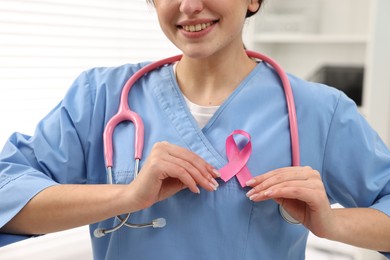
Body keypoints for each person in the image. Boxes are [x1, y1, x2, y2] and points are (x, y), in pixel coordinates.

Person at [0, 0, 389, 259]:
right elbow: (8, 196)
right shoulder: (100, 96)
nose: (188, 6)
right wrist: (127, 195)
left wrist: (333, 224)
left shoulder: (320, 109)